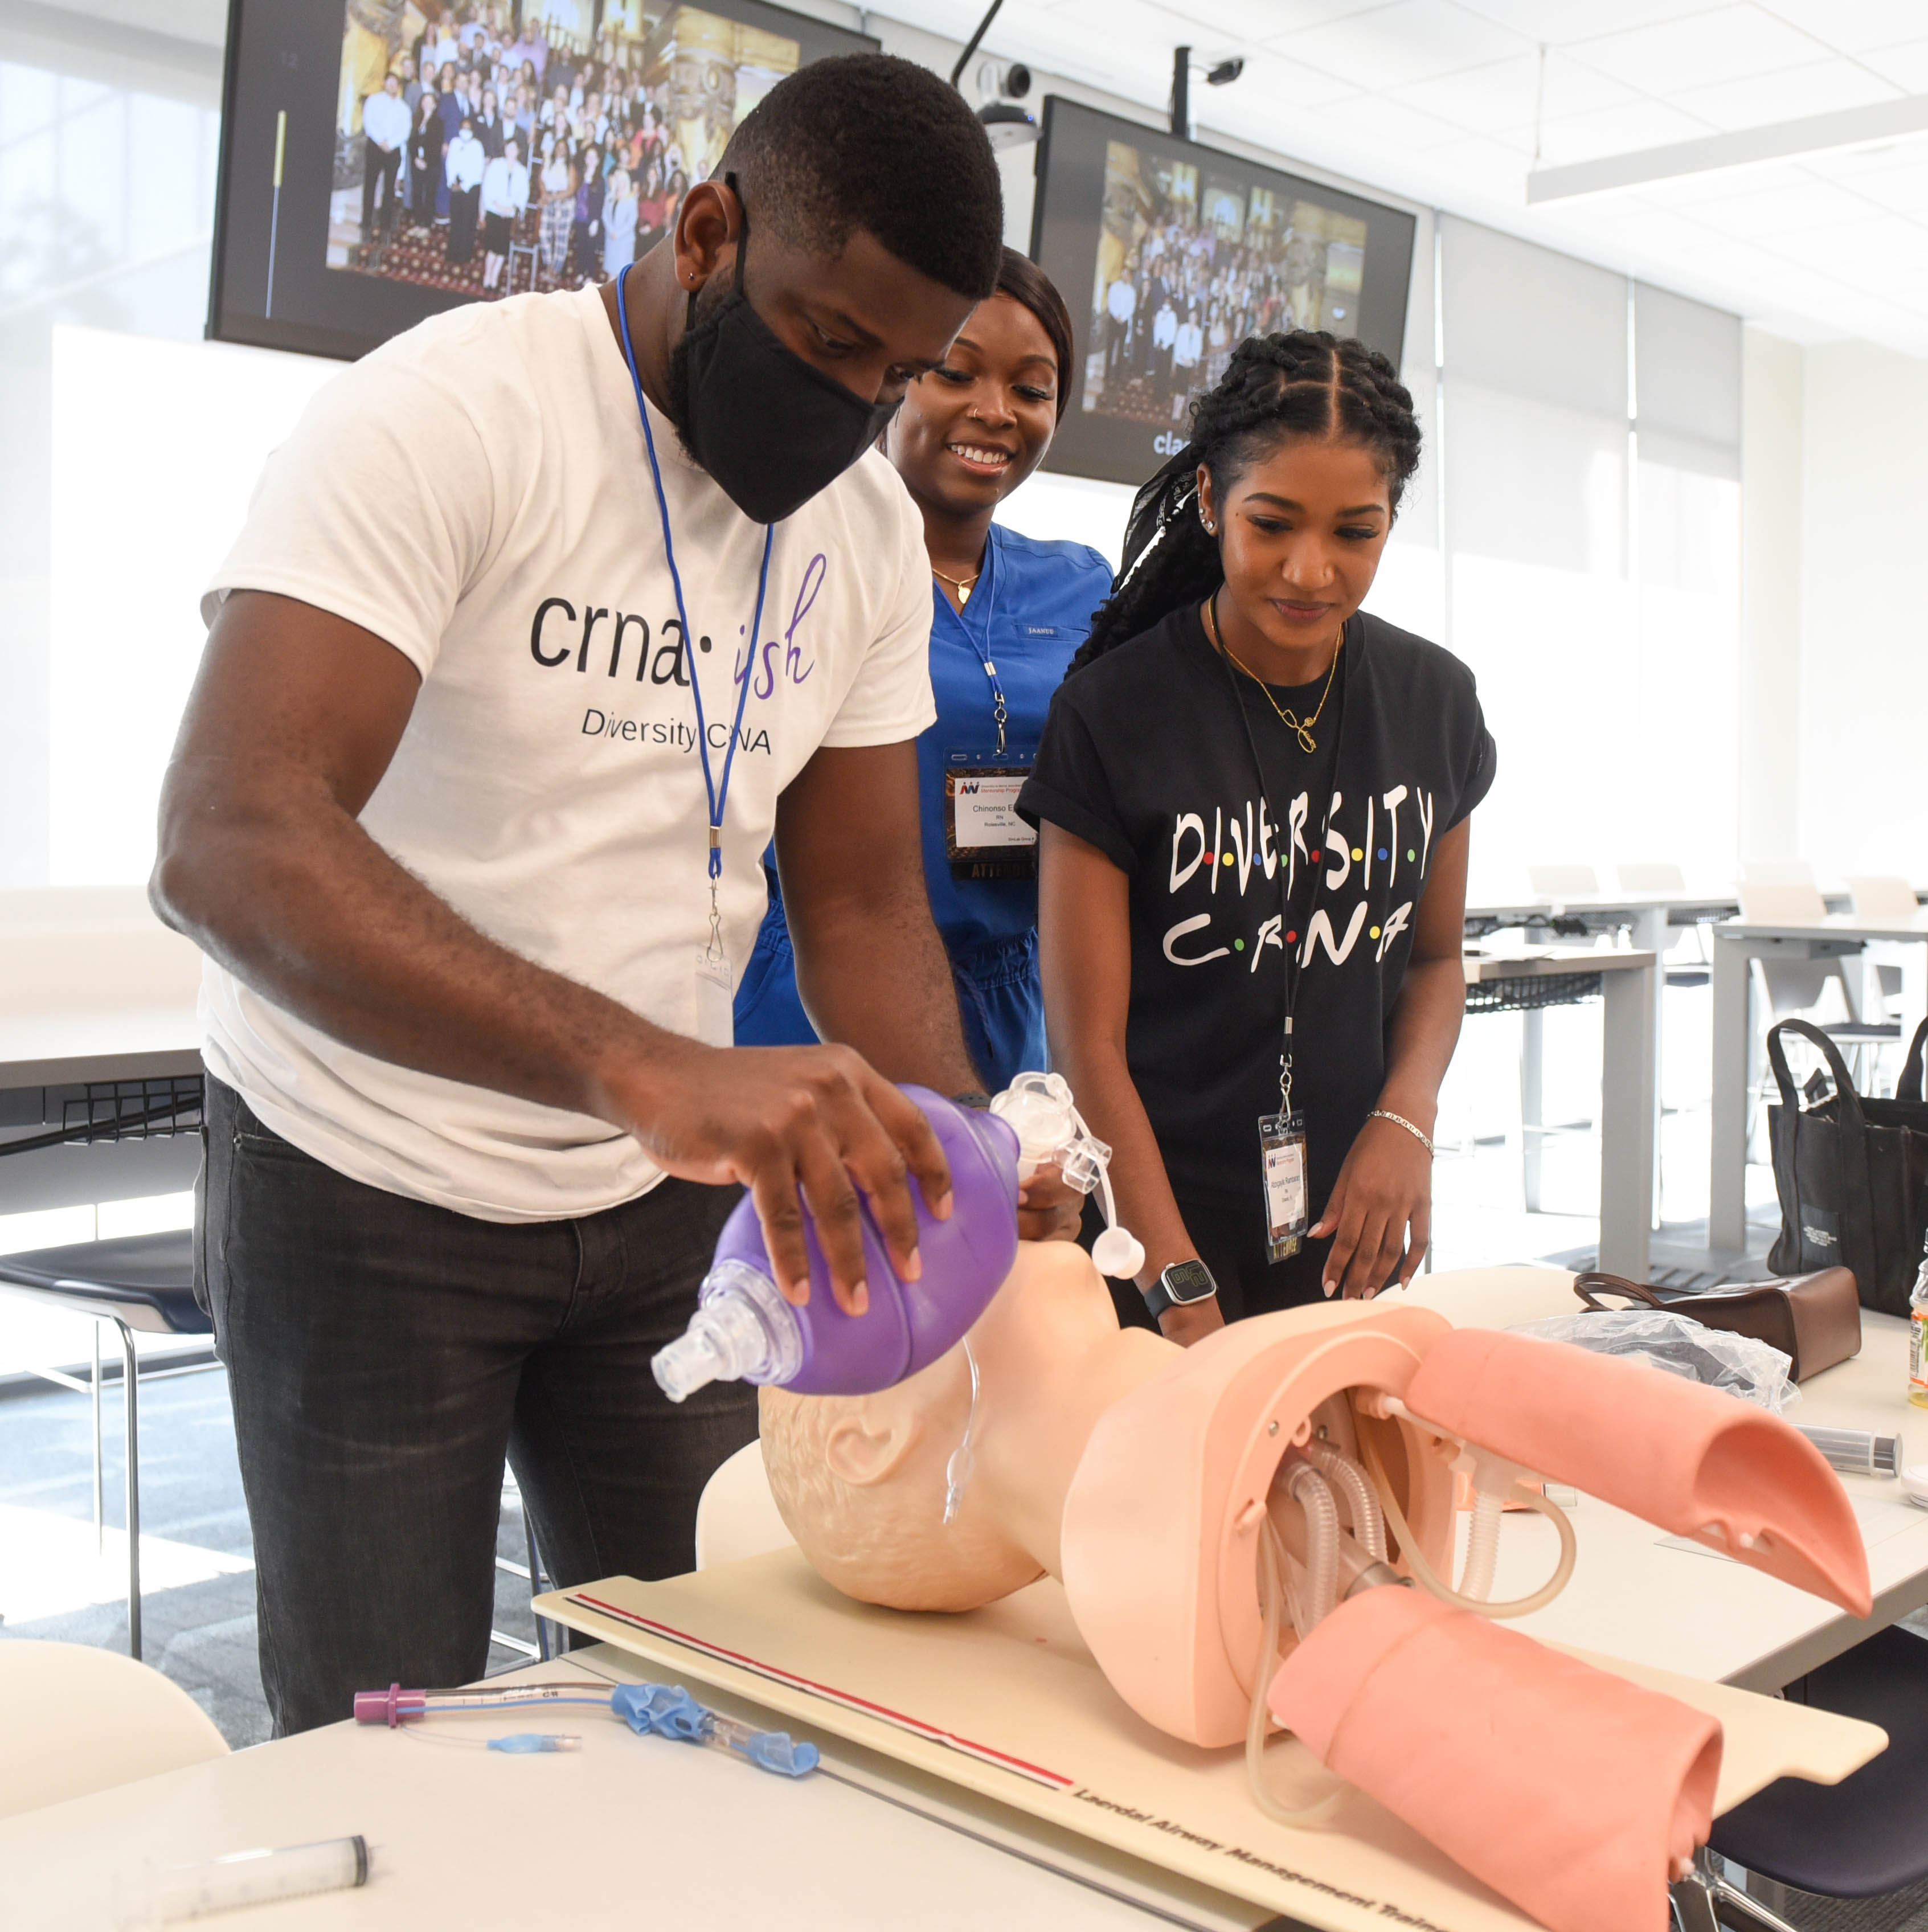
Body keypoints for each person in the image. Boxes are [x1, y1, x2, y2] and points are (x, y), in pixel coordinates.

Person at [152, 52, 1061, 1738]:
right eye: (824, 345)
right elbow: (228, 832)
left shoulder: (853, 525)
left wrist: (961, 1160)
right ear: (707, 230)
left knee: (718, 1685)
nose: (853, 410)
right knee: (391, 1727)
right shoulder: (449, 416)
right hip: (365, 1179)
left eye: (891, 375)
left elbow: (860, 904)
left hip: (658, 1204)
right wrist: (640, 1062)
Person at [1020, 332, 1495, 1341]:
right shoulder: (1114, 714)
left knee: (1348, 1502)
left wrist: (1406, 1121)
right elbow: (1086, 1045)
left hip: (1351, 1224)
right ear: (1208, 500)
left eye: (1355, 533)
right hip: (1156, 1236)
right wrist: (1173, 1279)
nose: (1310, 570)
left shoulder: (1436, 703)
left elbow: (1438, 958)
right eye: (1270, 523)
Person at [734, 251, 1111, 1091]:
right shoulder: (795, 555)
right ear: (896, 377)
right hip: (815, 984)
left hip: (1015, 997)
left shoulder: (1086, 585)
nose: (995, 411)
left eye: (1031, 388)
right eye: (955, 372)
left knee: (994, 1214)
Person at [359, 72, 410, 254]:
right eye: (389, 83)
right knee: (370, 187)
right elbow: (368, 122)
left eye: (395, 84)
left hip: (393, 150)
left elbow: (406, 130)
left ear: (398, 87)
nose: (392, 86)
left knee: (389, 191)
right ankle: (366, 224)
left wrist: (391, 144)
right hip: (375, 146)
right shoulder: (373, 101)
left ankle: (385, 228)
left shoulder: (404, 108)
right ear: (384, 83)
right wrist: (381, 140)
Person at [479, 133, 528, 293]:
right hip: (494, 211)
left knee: (502, 249)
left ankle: (495, 277)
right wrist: (497, 206)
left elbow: (523, 194)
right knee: (492, 247)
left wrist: (513, 208)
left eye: (515, 148)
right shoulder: (495, 165)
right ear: (505, 149)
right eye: (509, 147)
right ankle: (487, 275)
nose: (511, 150)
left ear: (519, 151)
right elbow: (487, 187)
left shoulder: (522, 171)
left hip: (510, 215)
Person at [444, 114, 485, 265]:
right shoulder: (454, 143)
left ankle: (465, 255)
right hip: (455, 188)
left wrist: (464, 186)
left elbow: (478, 171)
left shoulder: (477, 146)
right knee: (456, 222)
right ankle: (452, 253)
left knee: (468, 223)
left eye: (468, 128)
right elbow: (450, 164)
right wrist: (452, 182)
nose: (465, 131)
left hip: (470, 190)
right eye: (463, 128)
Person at [602, 165, 637, 281]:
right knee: (611, 272)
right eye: (619, 181)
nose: (621, 184)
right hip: (611, 239)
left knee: (621, 274)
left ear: (627, 182)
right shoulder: (609, 197)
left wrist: (618, 233)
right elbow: (605, 216)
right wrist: (611, 231)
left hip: (624, 241)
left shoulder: (631, 199)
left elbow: (632, 221)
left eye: (623, 181)